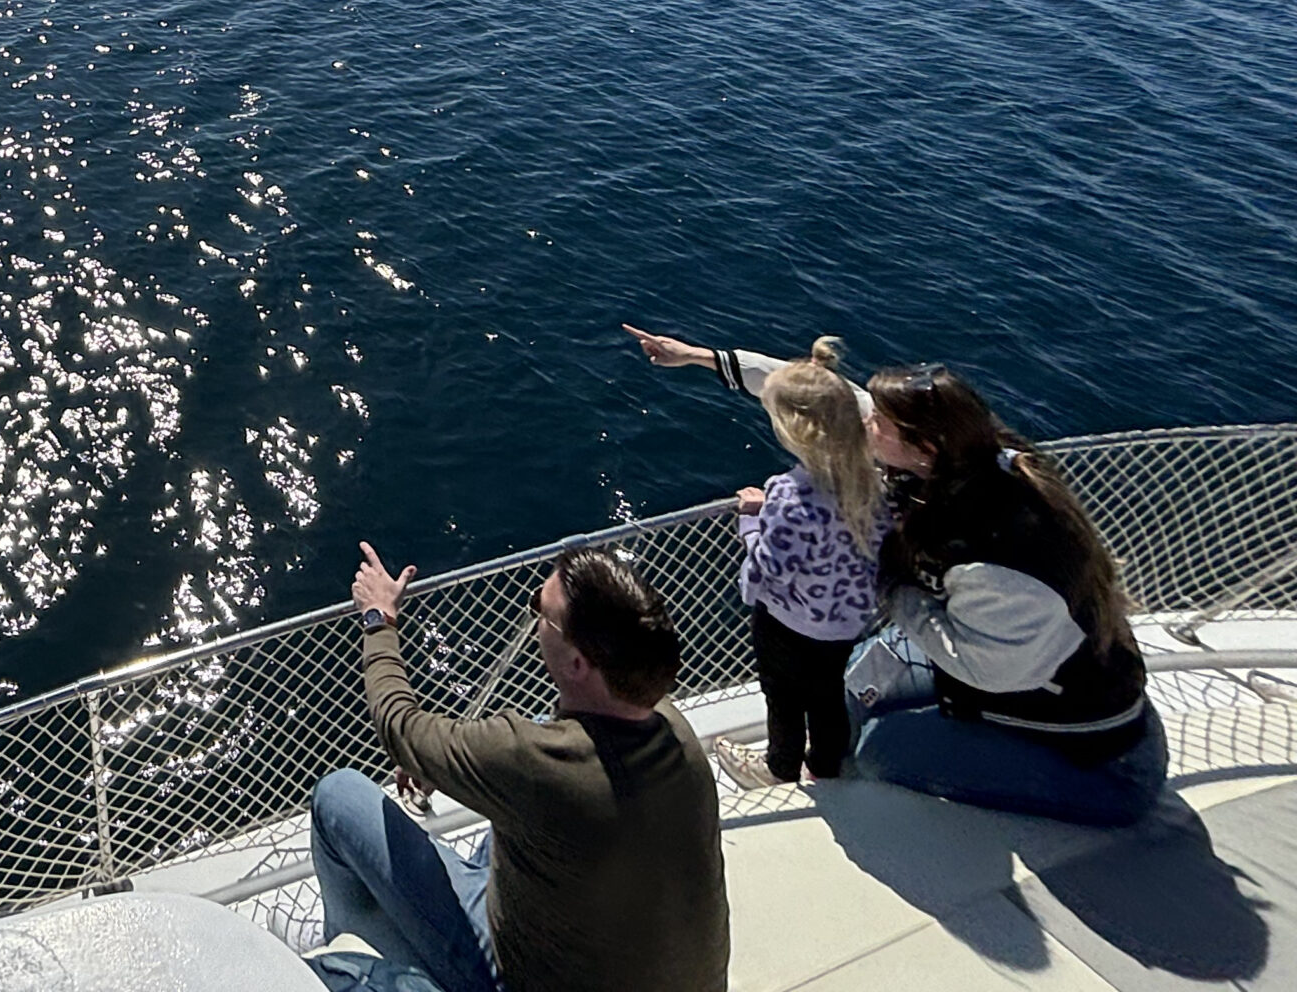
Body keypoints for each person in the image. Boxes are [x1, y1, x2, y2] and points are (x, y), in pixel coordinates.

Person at [625, 325, 1168, 825]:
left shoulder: (996, 554)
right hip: (1010, 672)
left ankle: (835, 778)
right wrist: (696, 357)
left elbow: (982, 667)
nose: (863, 424)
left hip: (1093, 756)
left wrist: (883, 582)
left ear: (921, 447)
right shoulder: (958, 456)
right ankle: (829, 761)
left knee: (876, 751)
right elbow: (821, 399)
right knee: (854, 683)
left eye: (877, 422)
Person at [309, 541, 728, 992]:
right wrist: (448, 764)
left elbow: (399, 726)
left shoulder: (531, 763)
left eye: (540, 611)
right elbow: (555, 755)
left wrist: (379, 616)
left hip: (525, 977)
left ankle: (353, 939)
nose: (533, 622)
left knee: (338, 796)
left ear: (576, 662)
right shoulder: (671, 728)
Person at [717, 341, 887, 788]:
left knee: (784, 698)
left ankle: (779, 768)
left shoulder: (789, 494)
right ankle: (826, 766)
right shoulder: (875, 483)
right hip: (847, 624)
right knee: (828, 695)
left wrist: (751, 523)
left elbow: (766, 572)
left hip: (790, 627)